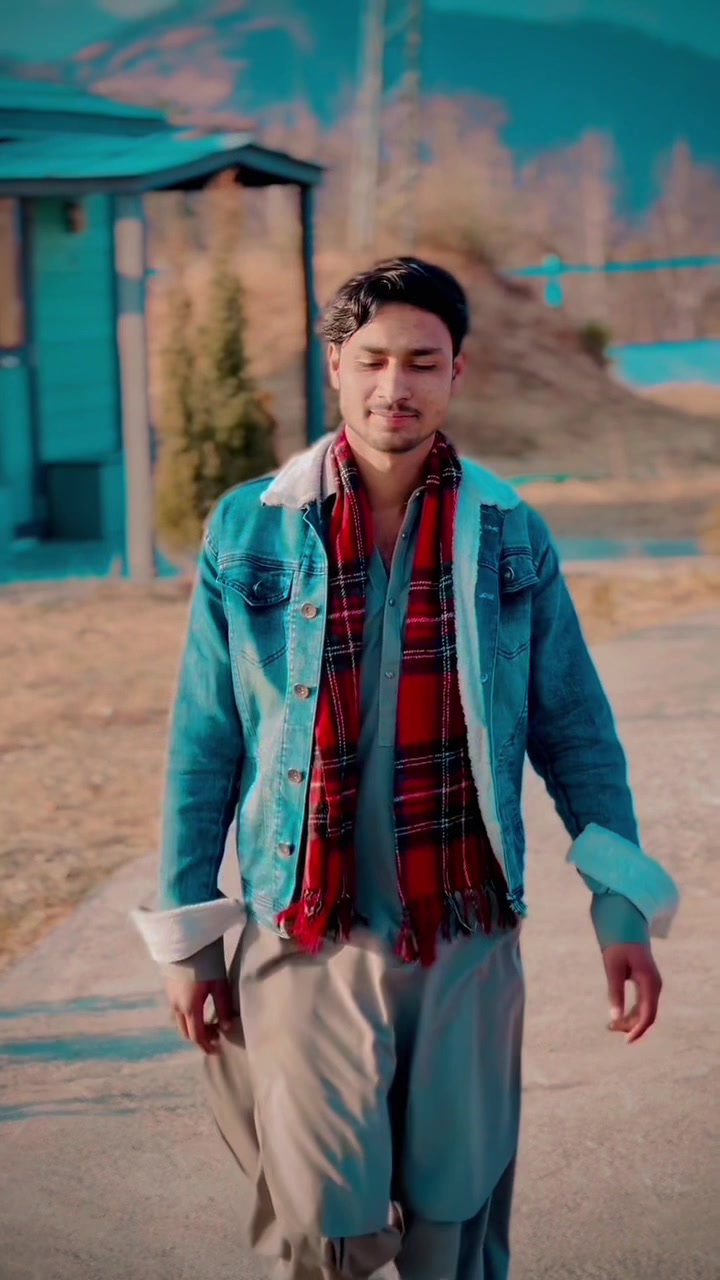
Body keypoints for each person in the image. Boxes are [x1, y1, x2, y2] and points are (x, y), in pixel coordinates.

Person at [133, 257, 679, 1280]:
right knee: (325, 1232)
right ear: (335, 366)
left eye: (423, 361)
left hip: (463, 929)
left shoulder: (510, 534)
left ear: (457, 371)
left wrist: (621, 911)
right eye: (374, 359)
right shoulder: (250, 528)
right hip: (306, 930)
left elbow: (576, 734)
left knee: (452, 1224)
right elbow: (205, 743)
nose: (397, 385)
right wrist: (187, 937)